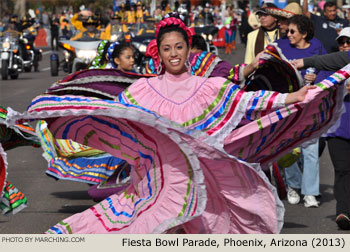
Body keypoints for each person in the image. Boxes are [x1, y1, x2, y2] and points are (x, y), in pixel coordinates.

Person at [275, 15, 330, 208]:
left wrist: (317, 76)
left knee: (310, 149)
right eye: (287, 31)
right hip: (287, 106)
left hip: (311, 106)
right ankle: (293, 185)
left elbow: (327, 68)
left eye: (292, 31)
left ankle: (310, 192)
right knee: (287, 148)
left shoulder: (317, 46)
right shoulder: (279, 46)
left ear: (304, 34)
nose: (288, 34)